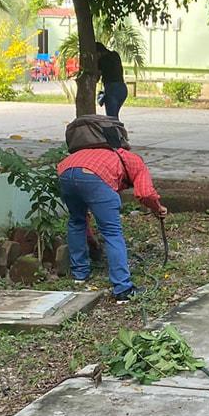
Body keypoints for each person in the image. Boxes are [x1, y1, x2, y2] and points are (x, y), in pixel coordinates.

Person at [57, 144, 167, 302]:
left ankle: (79, 275)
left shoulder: (100, 153)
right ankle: (123, 289)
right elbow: (146, 193)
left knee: (76, 221)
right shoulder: (136, 162)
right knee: (112, 232)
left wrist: (90, 239)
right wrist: (157, 208)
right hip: (95, 176)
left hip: (66, 171)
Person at [96, 42, 128, 119]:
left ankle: (116, 130)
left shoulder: (101, 60)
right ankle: (118, 129)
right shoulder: (115, 55)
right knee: (114, 116)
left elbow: (97, 77)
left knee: (111, 118)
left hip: (111, 88)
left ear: (98, 52)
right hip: (122, 88)